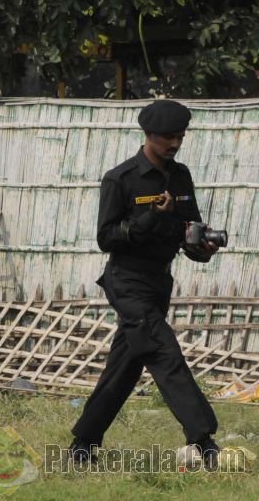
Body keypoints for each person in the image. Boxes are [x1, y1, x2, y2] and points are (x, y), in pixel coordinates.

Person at [69, 99, 220, 468]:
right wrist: (151, 217)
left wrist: (203, 246)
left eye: (180, 136)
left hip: (158, 280)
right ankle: (203, 438)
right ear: (148, 135)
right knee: (162, 350)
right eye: (168, 137)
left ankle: (83, 443)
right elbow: (106, 237)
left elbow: (188, 230)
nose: (175, 143)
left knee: (126, 363)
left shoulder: (180, 175)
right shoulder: (120, 179)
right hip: (127, 280)